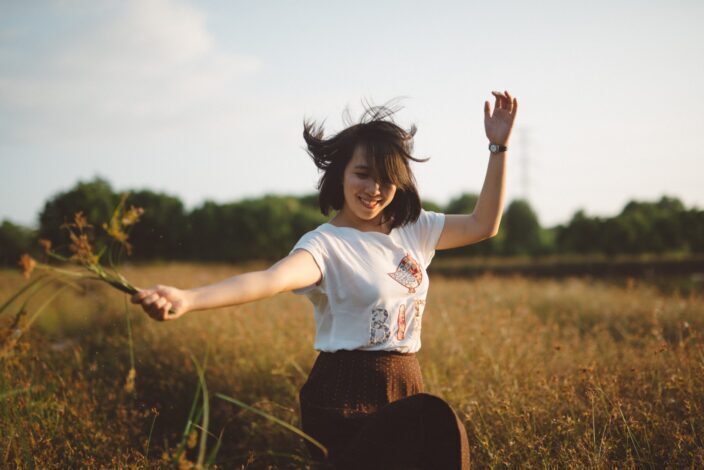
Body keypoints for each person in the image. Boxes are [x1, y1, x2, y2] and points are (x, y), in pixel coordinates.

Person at [131, 91, 518, 469]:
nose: (373, 190)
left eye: (386, 179)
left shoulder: (414, 228)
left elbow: (483, 224)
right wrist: (188, 298)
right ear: (342, 174)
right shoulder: (326, 245)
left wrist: (498, 149)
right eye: (362, 175)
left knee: (438, 432)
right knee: (436, 422)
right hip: (343, 393)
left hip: (405, 383)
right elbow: (269, 280)